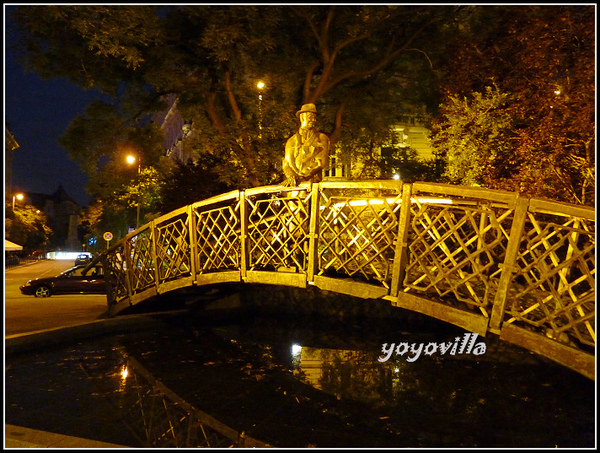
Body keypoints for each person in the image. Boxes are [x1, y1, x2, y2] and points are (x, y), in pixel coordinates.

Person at [282, 103, 330, 186]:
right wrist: (290, 175)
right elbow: (286, 163)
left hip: (312, 184)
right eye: (310, 117)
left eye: (314, 118)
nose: (313, 120)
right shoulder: (291, 141)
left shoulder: (321, 138)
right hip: (294, 185)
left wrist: (302, 176)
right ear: (302, 117)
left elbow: (321, 162)